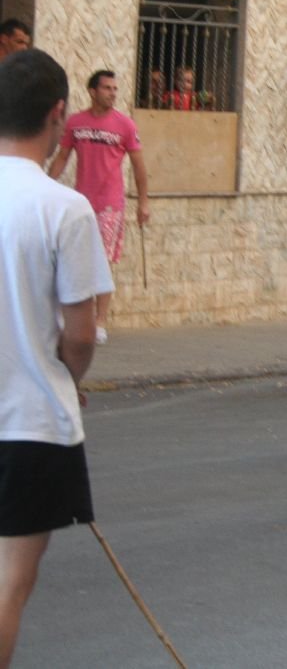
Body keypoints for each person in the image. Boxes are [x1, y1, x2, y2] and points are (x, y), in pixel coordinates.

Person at [0, 49, 115, 668]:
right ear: (58, 114)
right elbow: (81, 333)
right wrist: (68, 379)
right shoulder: (65, 209)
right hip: (29, 425)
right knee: (8, 584)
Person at [47, 70, 150, 345]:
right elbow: (62, 157)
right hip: (81, 203)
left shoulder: (125, 125)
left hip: (110, 205)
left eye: (115, 88)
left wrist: (143, 201)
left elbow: (139, 165)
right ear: (92, 91)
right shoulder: (76, 122)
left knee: (101, 262)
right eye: (107, 88)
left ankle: (100, 321)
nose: (113, 93)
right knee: (74, 260)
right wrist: (44, 185)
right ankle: (74, 318)